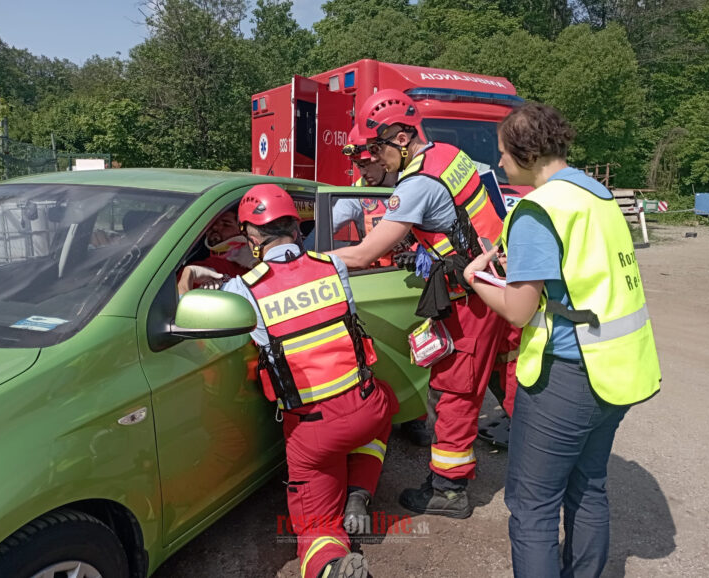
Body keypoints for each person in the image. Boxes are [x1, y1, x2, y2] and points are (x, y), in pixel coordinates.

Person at [462, 102, 661, 577]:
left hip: (567, 377)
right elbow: (584, 271)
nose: (501, 163)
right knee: (589, 487)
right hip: (618, 366)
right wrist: (534, 273)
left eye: (504, 154)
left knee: (532, 506)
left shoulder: (538, 209)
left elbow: (518, 309)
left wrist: (476, 279)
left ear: (526, 153)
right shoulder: (598, 194)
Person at [331, 89, 511, 518]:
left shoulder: (417, 184)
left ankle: (448, 490)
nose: (374, 159)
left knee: (455, 387)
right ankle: (547, 462)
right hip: (501, 280)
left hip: (473, 294)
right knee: (510, 376)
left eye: (377, 149)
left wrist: (303, 264)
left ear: (399, 136)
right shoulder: (448, 154)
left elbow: (361, 254)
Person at [217, 184, 397, 578]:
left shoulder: (243, 289)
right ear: (297, 228)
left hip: (314, 432)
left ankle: (333, 566)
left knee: (316, 529)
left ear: (251, 237)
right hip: (365, 404)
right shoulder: (333, 266)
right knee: (387, 403)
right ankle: (359, 492)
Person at [339, 127, 432, 447]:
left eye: (368, 165)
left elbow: (433, 233)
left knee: (416, 353)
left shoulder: (410, 186)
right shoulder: (355, 194)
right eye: (360, 167)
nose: (363, 172)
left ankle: (416, 417)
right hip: (372, 280)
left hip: (409, 282)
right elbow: (335, 219)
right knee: (380, 355)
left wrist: (419, 254)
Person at [177, 210, 257, 295]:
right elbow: (178, 304)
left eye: (226, 224)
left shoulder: (259, 264)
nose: (214, 227)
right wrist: (189, 274)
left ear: (242, 231)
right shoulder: (196, 270)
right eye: (211, 223)